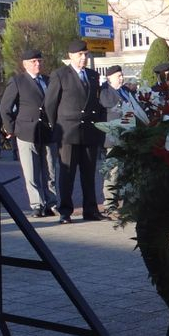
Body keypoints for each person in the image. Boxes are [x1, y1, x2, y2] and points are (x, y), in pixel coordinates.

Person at [44, 39, 106, 224]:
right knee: (67, 174)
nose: (84, 58)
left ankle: (91, 210)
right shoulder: (60, 75)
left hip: (89, 131)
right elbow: (50, 104)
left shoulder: (93, 75)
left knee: (89, 174)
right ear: (70, 56)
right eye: (80, 55)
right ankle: (65, 211)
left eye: (86, 55)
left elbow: (97, 103)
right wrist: (56, 127)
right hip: (68, 131)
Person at [2, 49, 59, 217]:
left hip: (47, 132)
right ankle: (37, 204)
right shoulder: (18, 81)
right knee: (31, 172)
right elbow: (5, 107)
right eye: (34, 61)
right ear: (25, 64)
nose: (38, 64)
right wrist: (12, 128)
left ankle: (52, 203)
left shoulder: (49, 81)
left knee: (50, 170)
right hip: (27, 132)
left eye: (39, 61)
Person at [98, 65, 137, 210]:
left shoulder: (126, 90)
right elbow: (109, 104)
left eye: (121, 75)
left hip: (128, 136)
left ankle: (128, 202)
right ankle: (109, 203)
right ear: (109, 78)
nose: (121, 78)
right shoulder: (105, 91)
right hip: (113, 137)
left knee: (127, 171)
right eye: (118, 76)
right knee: (113, 171)